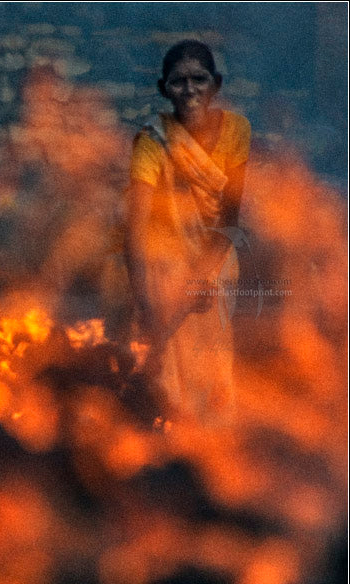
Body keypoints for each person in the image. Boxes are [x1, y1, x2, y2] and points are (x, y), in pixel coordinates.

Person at [125, 40, 251, 429]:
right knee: (167, 378)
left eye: (199, 79)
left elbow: (230, 218)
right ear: (164, 89)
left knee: (212, 369)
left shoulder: (236, 130)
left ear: (216, 85)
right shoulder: (153, 140)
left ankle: (213, 451)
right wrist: (149, 307)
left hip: (214, 265)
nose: (190, 90)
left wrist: (199, 279)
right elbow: (136, 228)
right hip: (165, 268)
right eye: (179, 81)